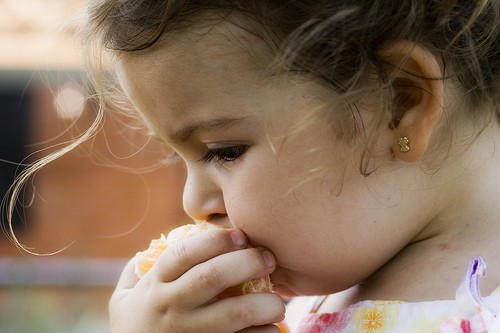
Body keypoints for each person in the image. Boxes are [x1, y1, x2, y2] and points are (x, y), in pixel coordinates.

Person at [8, 0, 500, 332]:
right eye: (173, 156)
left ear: (400, 102)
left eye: (223, 151)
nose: (192, 204)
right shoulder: (328, 287)